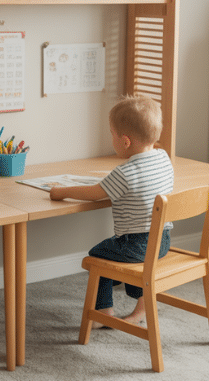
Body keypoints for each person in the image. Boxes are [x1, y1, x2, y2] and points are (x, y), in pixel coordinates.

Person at [50, 95, 174, 326]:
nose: (111, 139)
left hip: (136, 244)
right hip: (162, 241)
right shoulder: (164, 158)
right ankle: (141, 308)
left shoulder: (124, 173)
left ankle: (104, 312)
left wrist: (62, 192)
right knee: (120, 255)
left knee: (98, 254)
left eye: (112, 134)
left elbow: (96, 192)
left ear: (125, 141)